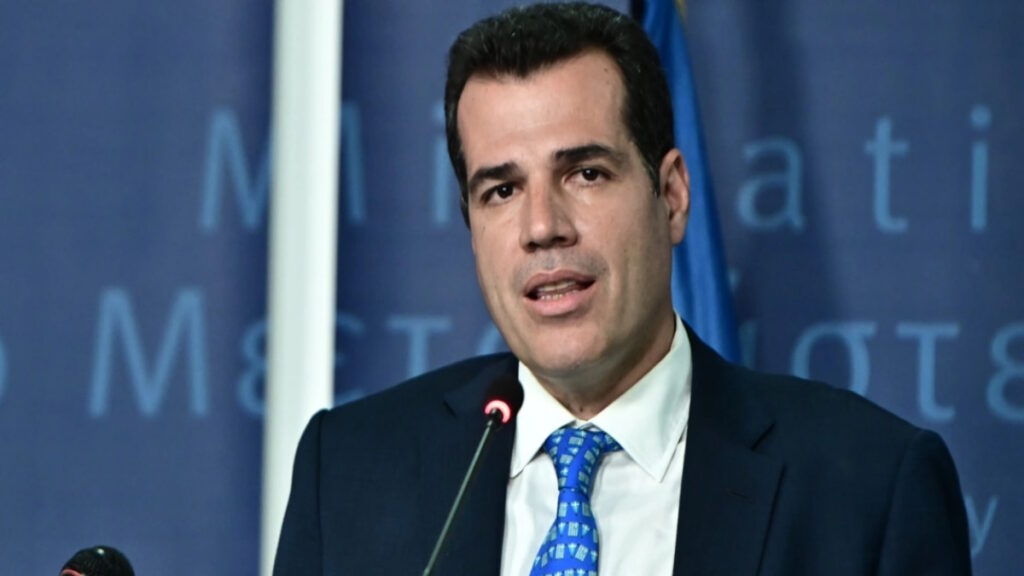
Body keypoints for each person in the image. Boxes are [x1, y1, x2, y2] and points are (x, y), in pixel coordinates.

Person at [273, 3, 972, 575]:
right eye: (502, 190)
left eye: (586, 174)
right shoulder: (350, 475)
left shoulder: (868, 491)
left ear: (671, 196)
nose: (542, 227)